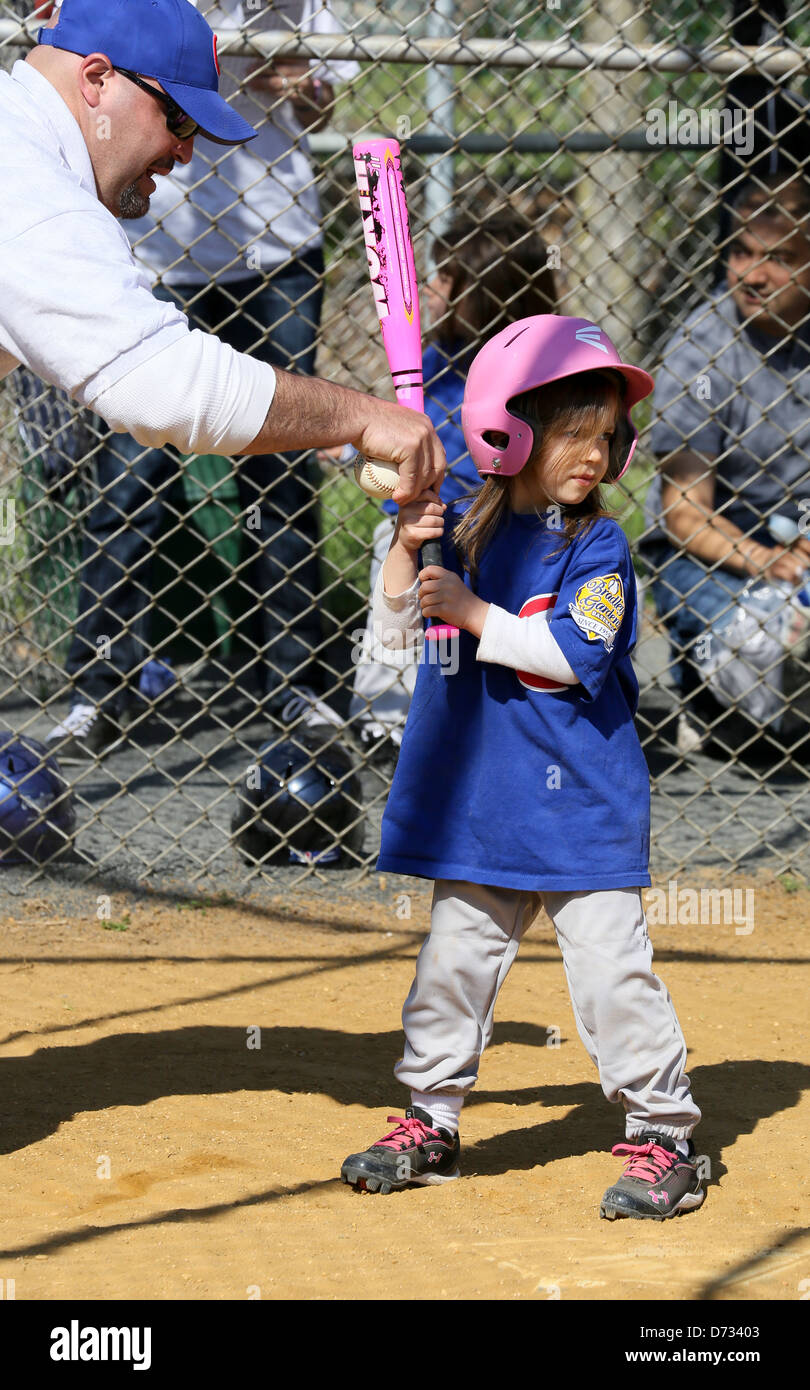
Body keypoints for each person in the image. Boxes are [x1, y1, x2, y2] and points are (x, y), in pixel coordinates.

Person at [0, 0, 444, 750]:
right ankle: (102, 682)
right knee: (127, 489)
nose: (186, 154)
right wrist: (366, 417)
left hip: (270, 262)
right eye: (176, 120)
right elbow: (168, 388)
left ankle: (296, 684)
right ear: (98, 79)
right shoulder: (31, 191)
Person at [340, 314, 706, 1222]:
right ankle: (432, 1117)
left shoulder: (600, 546)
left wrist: (467, 611)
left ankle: (664, 1133)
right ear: (509, 428)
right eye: (571, 432)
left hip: (580, 808)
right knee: (451, 968)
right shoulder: (460, 532)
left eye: (606, 435)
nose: (594, 453)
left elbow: (573, 651)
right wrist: (403, 547)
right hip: (477, 807)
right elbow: (389, 647)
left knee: (613, 973)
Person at [349, 211, 558, 762]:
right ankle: (385, 714)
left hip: (512, 526)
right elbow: (406, 435)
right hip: (445, 523)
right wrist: (356, 449)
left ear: (485, 294)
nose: (435, 287)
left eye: (448, 276)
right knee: (392, 544)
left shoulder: (539, 375)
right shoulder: (437, 362)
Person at [640, 174, 810, 755]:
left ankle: (765, 701)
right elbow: (685, 515)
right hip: (713, 550)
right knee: (765, 639)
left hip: (800, 538)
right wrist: (769, 563)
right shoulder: (701, 346)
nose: (751, 275)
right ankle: (727, 691)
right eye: (740, 252)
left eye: (779, 258)